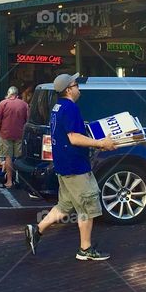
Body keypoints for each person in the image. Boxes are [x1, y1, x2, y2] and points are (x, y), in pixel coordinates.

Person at [24, 73, 116, 261]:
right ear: (68, 89)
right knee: (87, 206)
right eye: (76, 85)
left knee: (64, 206)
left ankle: (37, 230)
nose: (78, 88)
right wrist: (100, 143)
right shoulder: (71, 108)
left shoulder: (57, 108)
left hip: (63, 166)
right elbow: (73, 137)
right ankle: (85, 249)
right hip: (76, 167)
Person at [0, 86, 29, 189]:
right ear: (17, 94)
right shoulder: (24, 104)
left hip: (5, 134)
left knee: (8, 157)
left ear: (8, 94)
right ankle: (19, 180)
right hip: (20, 134)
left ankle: (9, 181)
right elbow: (28, 121)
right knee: (19, 158)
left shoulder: (3, 104)